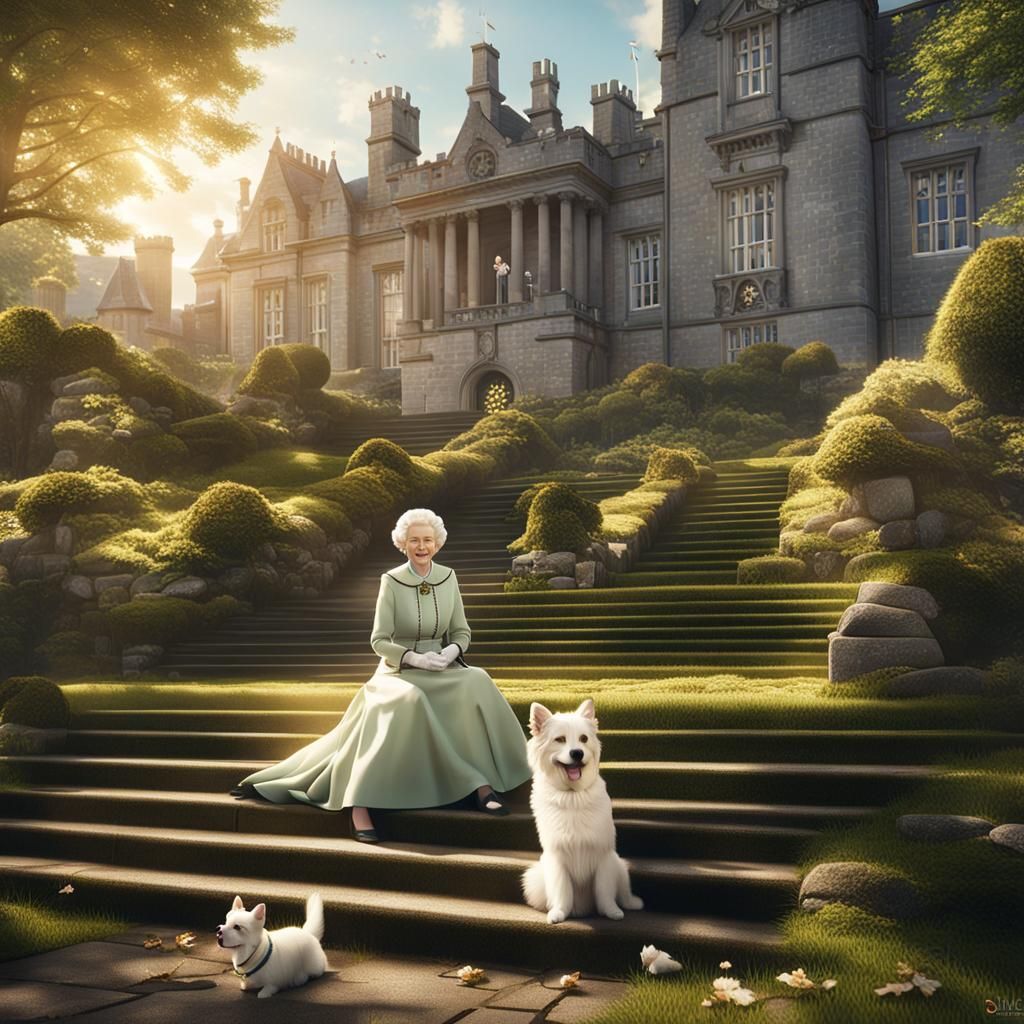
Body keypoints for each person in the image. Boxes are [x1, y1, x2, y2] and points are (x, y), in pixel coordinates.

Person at [230, 508, 531, 844]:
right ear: (403, 544)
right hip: (398, 671)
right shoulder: (391, 580)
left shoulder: (448, 577)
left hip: (442, 666)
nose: (421, 546)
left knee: (478, 680)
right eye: (414, 540)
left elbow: (461, 631)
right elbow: (378, 641)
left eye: (427, 540)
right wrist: (414, 658)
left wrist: (450, 652)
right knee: (410, 699)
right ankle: (361, 804)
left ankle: (484, 783)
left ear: (438, 543)